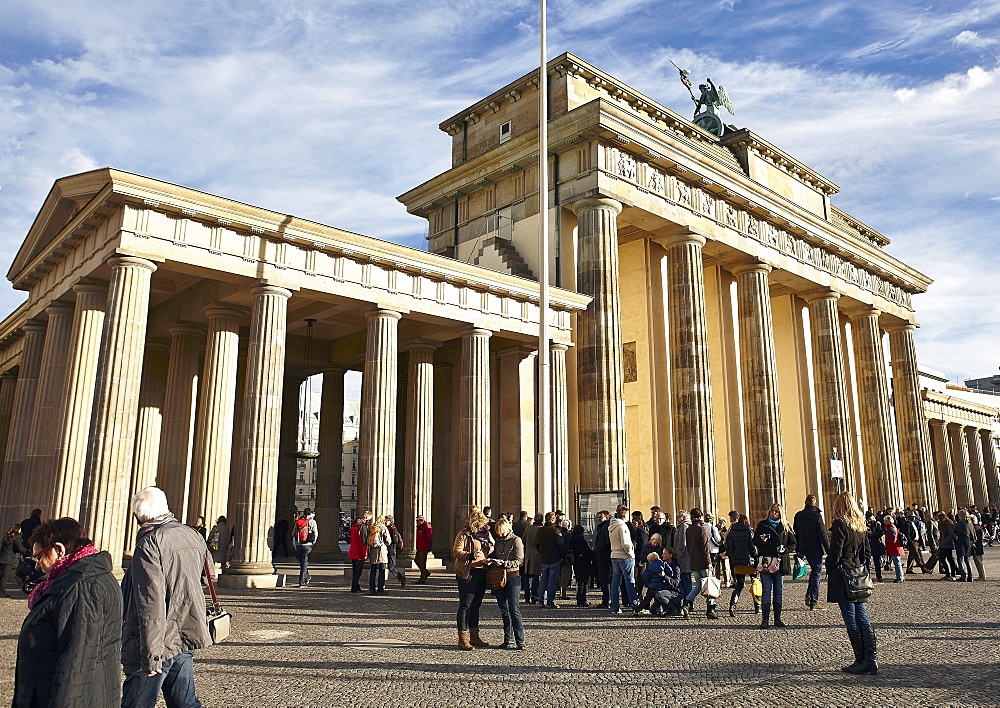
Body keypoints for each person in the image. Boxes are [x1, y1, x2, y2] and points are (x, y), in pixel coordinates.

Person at [13, 517, 122, 706]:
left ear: (59, 550)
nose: (37, 565)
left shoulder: (82, 587)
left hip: (60, 696)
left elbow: (76, 665)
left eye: (39, 556)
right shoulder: (82, 578)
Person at [122, 487, 211, 708]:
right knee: (185, 702)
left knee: (137, 703)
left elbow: (150, 603)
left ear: (138, 517)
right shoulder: (192, 534)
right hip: (184, 630)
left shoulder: (150, 544)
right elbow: (210, 575)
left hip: (158, 641)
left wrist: (151, 655)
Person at [827, 491, 878, 675]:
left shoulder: (840, 524)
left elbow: (836, 552)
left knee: (851, 619)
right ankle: (870, 659)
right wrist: (859, 565)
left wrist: (830, 565)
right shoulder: (860, 525)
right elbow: (867, 553)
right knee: (862, 617)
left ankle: (860, 659)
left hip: (844, 576)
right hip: (858, 573)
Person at [752, 503, 796, 629]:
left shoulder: (786, 526)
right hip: (766, 562)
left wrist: (785, 549)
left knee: (778, 591)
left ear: (781, 513)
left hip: (780, 563)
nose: (774, 513)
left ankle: (777, 618)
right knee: (766, 591)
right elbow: (754, 541)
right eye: (772, 511)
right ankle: (765, 619)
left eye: (776, 511)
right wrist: (761, 540)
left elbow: (793, 544)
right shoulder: (763, 525)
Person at [453, 510, 491, 650]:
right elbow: (456, 551)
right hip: (467, 572)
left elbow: (490, 548)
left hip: (482, 571)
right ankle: (462, 638)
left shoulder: (486, 535)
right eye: (481, 524)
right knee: (465, 605)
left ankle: (474, 636)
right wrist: (471, 555)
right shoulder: (463, 534)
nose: (484, 526)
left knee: (476, 605)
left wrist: (490, 549)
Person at [488, 517, 526, 649]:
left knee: (514, 609)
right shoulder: (498, 541)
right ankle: (507, 638)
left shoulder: (516, 540)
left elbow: (520, 560)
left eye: (502, 532)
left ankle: (520, 640)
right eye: (498, 532)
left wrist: (505, 564)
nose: (500, 534)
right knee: (503, 609)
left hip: (513, 576)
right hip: (499, 578)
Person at [793, 494, 830, 609]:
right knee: (817, 572)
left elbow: (796, 533)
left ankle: (809, 595)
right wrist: (829, 551)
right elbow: (823, 535)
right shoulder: (816, 516)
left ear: (805, 502)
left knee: (815, 572)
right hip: (815, 548)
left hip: (803, 548)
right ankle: (813, 600)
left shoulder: (798, 516)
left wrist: (798, 548)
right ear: (814, 503)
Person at [683, 508, 717, 619]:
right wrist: (709, 563)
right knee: (709, 585)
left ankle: (687, 602)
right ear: (700, 516)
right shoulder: (701, 529)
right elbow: (705, 548)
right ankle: (710, 609)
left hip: (694, 561)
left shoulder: (688, 529)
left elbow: (688, 546)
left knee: (698, 585)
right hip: (703, 562)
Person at [609, 504, 640, 615]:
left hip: (615, 555)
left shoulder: (612, 525)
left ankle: (615, 607)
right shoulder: (622, 526)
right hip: (624, 556)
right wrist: (631, 554)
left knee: (615, 582)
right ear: (624, 515)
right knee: (629, 581)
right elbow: (626, 544)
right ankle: (635, 605)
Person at [724, 513, 756, 616]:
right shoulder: (749, 531)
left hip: (737, 561)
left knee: (739, 585)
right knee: (755, 583)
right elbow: (752, 547)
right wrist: (756, 558)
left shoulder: (732, 532)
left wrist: (733, 558)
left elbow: (730, 547)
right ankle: (757, 606)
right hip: (750, 562)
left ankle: (732, 605)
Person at [536, 512, 565, 608]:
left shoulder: (540, 531)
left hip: (544, 558)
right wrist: (562, 556)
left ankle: (541, 601)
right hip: (554, 558)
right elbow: (561, 545)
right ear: (553, 520)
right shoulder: (556, 531)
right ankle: (550, 601)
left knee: (543, 580)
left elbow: (537, 544)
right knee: (552, 581)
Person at [1, 523, 28, 598]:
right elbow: (20, 548)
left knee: (1, 575)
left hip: (2, 556)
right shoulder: (16, 537)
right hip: (8, 559)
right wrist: (27, 551)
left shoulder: (7, 535)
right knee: (4, 576)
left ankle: (2, 590)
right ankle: (2, 591)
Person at [569, 524, 593, 607]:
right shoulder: (581, 540)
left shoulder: (572, 539)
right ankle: (582, 599)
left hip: (576, 562)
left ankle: (580, 599)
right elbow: (587, 552)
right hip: (583, 562)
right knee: (583, 582)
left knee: (579, 581)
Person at [292, 508, 318, 588]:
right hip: (307, 544)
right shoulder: (312, 522)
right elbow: (316, 533)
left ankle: (306, 577)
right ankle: (302, 582)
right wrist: (313, 542)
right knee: (304, 563)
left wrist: (295, 543)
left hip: (299, 544)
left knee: (302, 563)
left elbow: (293, 533)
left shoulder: (298, 521)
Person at [348, 511, 372, 593]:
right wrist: (364, 553)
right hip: (359, 552)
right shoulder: (362, 527)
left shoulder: (354, 525)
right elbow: (363, 541)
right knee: (358, 571)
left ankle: (356, 586)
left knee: (355, 570)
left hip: (353, 551)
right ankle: (354, 587)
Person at [521, 514, 542, 604]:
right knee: (536, 577)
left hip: (528, 553)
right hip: (537, 555)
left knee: (527, 577)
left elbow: (524, 540)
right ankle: (534, 596)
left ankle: (526, 596)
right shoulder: (541, 529)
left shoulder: (528, 528)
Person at [593, 510, 612, 608]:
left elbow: (605, 544)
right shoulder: (601, 528)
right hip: (603, 557)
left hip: (604, 558)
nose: (599, 519)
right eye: (598, 517)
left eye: (601, 517)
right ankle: (607, 600)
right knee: (605, 580)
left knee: (606, 580)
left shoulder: (605, 528)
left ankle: (606, 600)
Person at [367, 515, 390, 595]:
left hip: (373, 550)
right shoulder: (383, 528)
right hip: (381, 551)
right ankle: (380, 589)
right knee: (382, 570)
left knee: (373, 571)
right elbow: (388, 540)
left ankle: (372, 589)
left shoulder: (372, 528)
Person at [952, 509, 975, 582]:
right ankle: (970, 576)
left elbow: (955, 530)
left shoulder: (961, 523)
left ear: (961, 516)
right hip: (969, 542)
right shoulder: (970, 523)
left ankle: (963, 575)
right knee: (967, 559)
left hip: (961, 542)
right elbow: (973, 535)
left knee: (960, 559)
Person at [384, 515, 406, 587]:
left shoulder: (393, 529)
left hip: (391, 550)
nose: (384, 522)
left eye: (386, 520)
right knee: (384, 567)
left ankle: (401, 578)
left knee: (391, 567)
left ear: (390, 521)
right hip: (388, 550)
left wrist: (387, 542)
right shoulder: (388, 528)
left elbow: (395, 540)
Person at [674, 510, 692, 598]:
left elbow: (682, 541)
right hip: (685, 556)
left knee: (685, 579)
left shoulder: (684, 526)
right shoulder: (683, 525)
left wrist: (678, 553)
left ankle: (688, 600)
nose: (677, 519)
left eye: (678, 517)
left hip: (684, 557)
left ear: (683, 517)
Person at [882, 516, 904, 583]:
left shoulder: (890, 528)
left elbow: (893, 539)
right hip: (894, 547)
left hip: (894, 547)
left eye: (885, 520)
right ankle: (900, 576)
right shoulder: (891, 527)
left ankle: (900, 577)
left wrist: (887, 541)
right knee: (897, 563)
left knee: (897, 563)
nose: (884, 522)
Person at [866, 512, 886, 582]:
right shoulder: (865, 524)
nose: (869, 520)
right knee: (867, 561)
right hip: (868, 545)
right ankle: (867, 576)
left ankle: (879, 576)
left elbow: (880, 533)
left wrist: (873, 533)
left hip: (875, 544)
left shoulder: (877, 523)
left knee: (877, 561)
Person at [937, 511, 957, 580]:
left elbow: (952, 535)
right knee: (942, 559)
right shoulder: (943, 524)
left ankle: (953, 574)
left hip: (948, 545)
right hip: (943, 544)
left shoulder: (948, 524)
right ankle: (948, 574)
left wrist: (944, 542)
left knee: (950, 559)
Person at [415, 515, 433, 583]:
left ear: (422, 521)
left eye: (418, 521)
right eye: (416, 521)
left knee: (422, 563)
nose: (417, 522)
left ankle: (422, 578)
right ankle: (425, 572)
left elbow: (429, 538)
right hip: (419, 547)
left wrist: (428, 548)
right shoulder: (419, 527)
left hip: (424, 547)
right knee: (416, 560)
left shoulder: (426, 527)